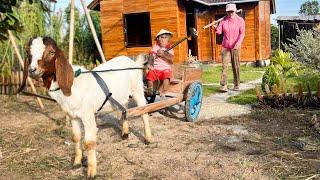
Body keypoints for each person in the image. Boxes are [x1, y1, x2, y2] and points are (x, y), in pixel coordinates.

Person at [213, 3, 245, 92]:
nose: (230, 13)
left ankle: (237, 84)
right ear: (226, 11)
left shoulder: (240, 20)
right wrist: (216, 27)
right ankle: (224, 85)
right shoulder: (224, 20)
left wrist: (238, 43)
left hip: (236, 46)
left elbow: (242, 33)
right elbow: (219, 32)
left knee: (236, 66)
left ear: (235, 10)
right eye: (228, 11)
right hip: (225, 46)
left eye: (232, 11)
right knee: (224, 66)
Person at [146, 29, 174, 97]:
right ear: (158, 39)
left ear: (168, 39)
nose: (163, 39)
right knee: (150, 74)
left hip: (165, 68)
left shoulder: (170, 48)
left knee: (167, 74)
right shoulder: (155, 48)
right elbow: (151, 58)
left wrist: (163, 54)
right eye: (162, 37)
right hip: (156, 69)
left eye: (165, 37)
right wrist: (150, 65)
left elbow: (171, 60)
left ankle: (164, 91)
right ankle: (150, 90)